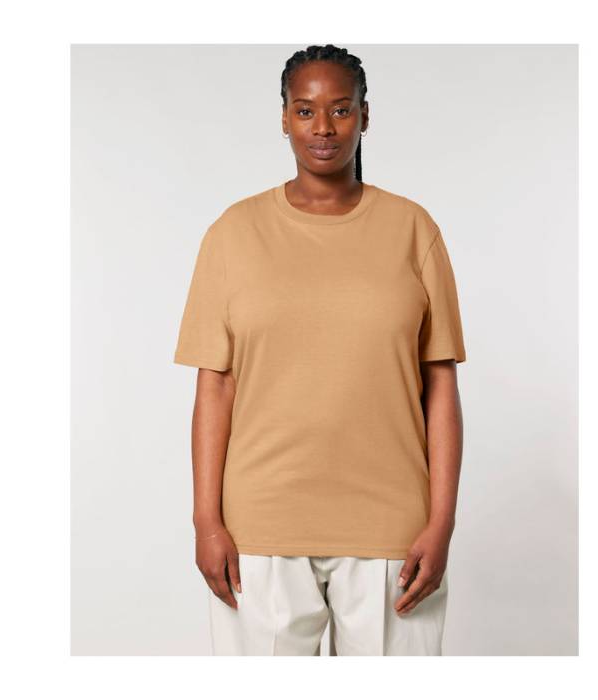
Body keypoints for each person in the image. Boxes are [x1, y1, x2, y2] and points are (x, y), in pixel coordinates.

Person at [173, 44, 467, 656]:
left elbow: (439, 385)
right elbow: (215, 386)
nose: (324, 128)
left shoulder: (414, 230)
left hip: (392, 525)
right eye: (305, 111)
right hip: (261, 526)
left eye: (341, 108)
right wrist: (206, 520)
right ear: (284, 118)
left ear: (365, 115)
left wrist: (441, 522)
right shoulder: (233, 233)